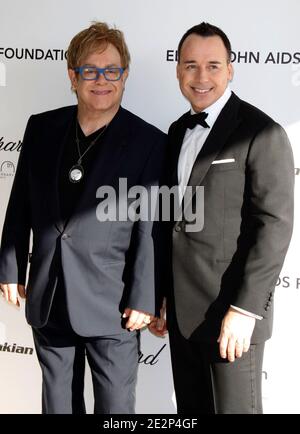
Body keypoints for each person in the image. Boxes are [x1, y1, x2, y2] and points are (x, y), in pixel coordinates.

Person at [0, 22, 166, 414]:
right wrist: (9, 266)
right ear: (73, 76)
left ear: (124, 76)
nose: (101, 80)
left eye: (112, 70)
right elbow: (20, 198)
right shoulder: (42, 128)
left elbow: (150, 227)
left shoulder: (149, 142)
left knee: (115, 412)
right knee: (57, 406)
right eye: (90, 70)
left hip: (113, 308)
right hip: (49, 295)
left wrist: (144, 297)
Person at [149, 22, 294, 414]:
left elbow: (274, 226)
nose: (201, 77)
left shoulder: (262, 132)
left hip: (232, 317)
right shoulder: (178, 131)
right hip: (183, 314)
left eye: (213, 66)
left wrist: (245, 310)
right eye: (191, 65)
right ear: (178, 70)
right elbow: (169, 221)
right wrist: (162, 293)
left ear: (231, 69)